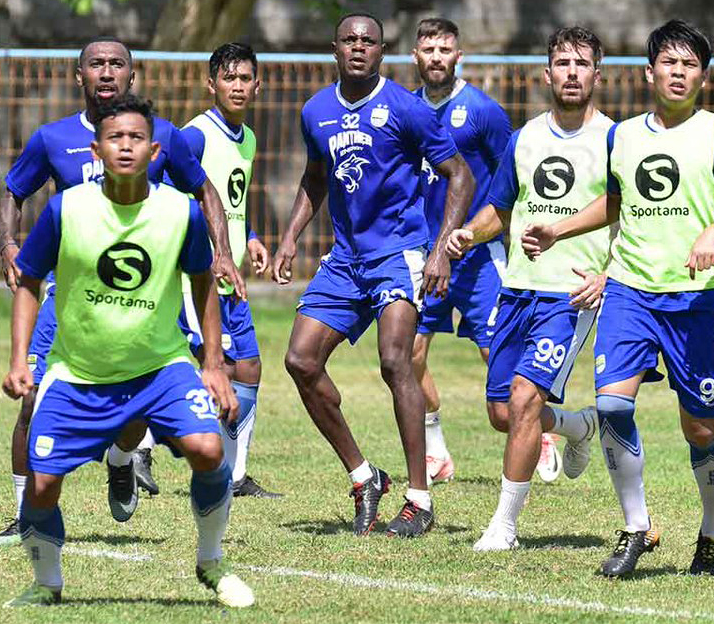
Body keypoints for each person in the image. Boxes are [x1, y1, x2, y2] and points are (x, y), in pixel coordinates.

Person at [521, 20, 714, 577]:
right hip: (630, 290)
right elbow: (614, 203)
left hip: (695, 300)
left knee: (700, 428)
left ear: (703, 76)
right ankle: (636, 528)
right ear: (649, 71)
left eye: (690, 65)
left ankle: (712, 533)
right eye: (670, 63)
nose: (679, 73)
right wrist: (561, 229)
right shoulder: (623, 135)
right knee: (611, 405)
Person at [2, 95, 253, 608]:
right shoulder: (65, 209)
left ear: (154, 149)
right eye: (115, 138)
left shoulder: (179, 212)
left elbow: (203, 279)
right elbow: (28, 281)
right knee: (42, 486)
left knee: (208, 449)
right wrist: (17, 359)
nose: (125, 147)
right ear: (96, 150)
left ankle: (211, 560)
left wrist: (211, 365)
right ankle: (46, 583)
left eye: (135, 138)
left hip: (160, 367)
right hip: (79, 373)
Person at [271, 12, 474, 537]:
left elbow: (460, 176)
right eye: (350, 40)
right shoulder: (316, 110)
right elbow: (315, 179)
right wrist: (291, 236)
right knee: (300, 360)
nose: (359, 47)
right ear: (334, 48)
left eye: (369, 41)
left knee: (394, 361)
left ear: (382, 52)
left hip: (399, 253)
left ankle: (420, 499)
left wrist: (440, 251)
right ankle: (364, 478)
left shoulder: (406, 108)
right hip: (345, 259)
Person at [447, 25, 610, 552]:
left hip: (570, 294)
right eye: (563, 63)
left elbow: (631, 212)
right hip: (516, 287)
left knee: (522, 399)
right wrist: (469, 234)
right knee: (503, 413)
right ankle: (578, 426)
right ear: (547, 73)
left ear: (596, 75)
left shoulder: (615, 139)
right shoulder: (525, 138)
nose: (571, 73)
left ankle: (504, 527)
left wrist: (607, 276)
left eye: (581, 64)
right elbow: (501, 207)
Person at [172, 42, 281, 498]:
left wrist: (250, 237)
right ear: (210, 83)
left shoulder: (249, 138)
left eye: (245, 78)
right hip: (195, 278)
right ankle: (143, 444)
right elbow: (168, 196)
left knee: (250, 369)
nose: (237, 86)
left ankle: (235, 476)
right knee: (220, 366)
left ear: (257, 85)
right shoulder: (194, 135)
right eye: (228, 78)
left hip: (231, 275)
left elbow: (230, 204)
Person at [409, 17, 513, 484]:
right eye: (428, 49)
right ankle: (436, 450)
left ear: (458, 56)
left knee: (498, 357)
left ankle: (539, 432)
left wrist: (481, 230)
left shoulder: (482, 111)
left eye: (444, 49)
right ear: (415, 56)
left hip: (476, 258)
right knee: (407, 355)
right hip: (422, 256)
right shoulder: (404, 109)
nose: (436, 57)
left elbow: (509, 180)